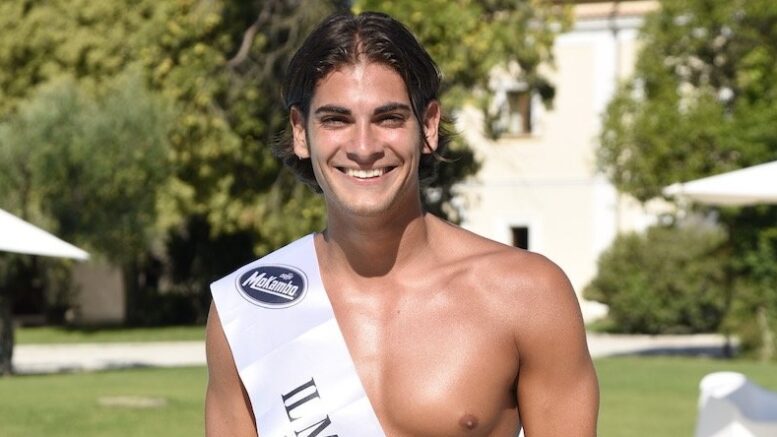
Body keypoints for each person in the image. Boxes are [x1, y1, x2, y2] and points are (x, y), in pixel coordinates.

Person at [205, 11, 598, 437]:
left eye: (388, 118)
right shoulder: (246, 313)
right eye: (336, 119)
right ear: (300, 133)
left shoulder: (526, 295)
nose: (363, 147)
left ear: (428, 126)